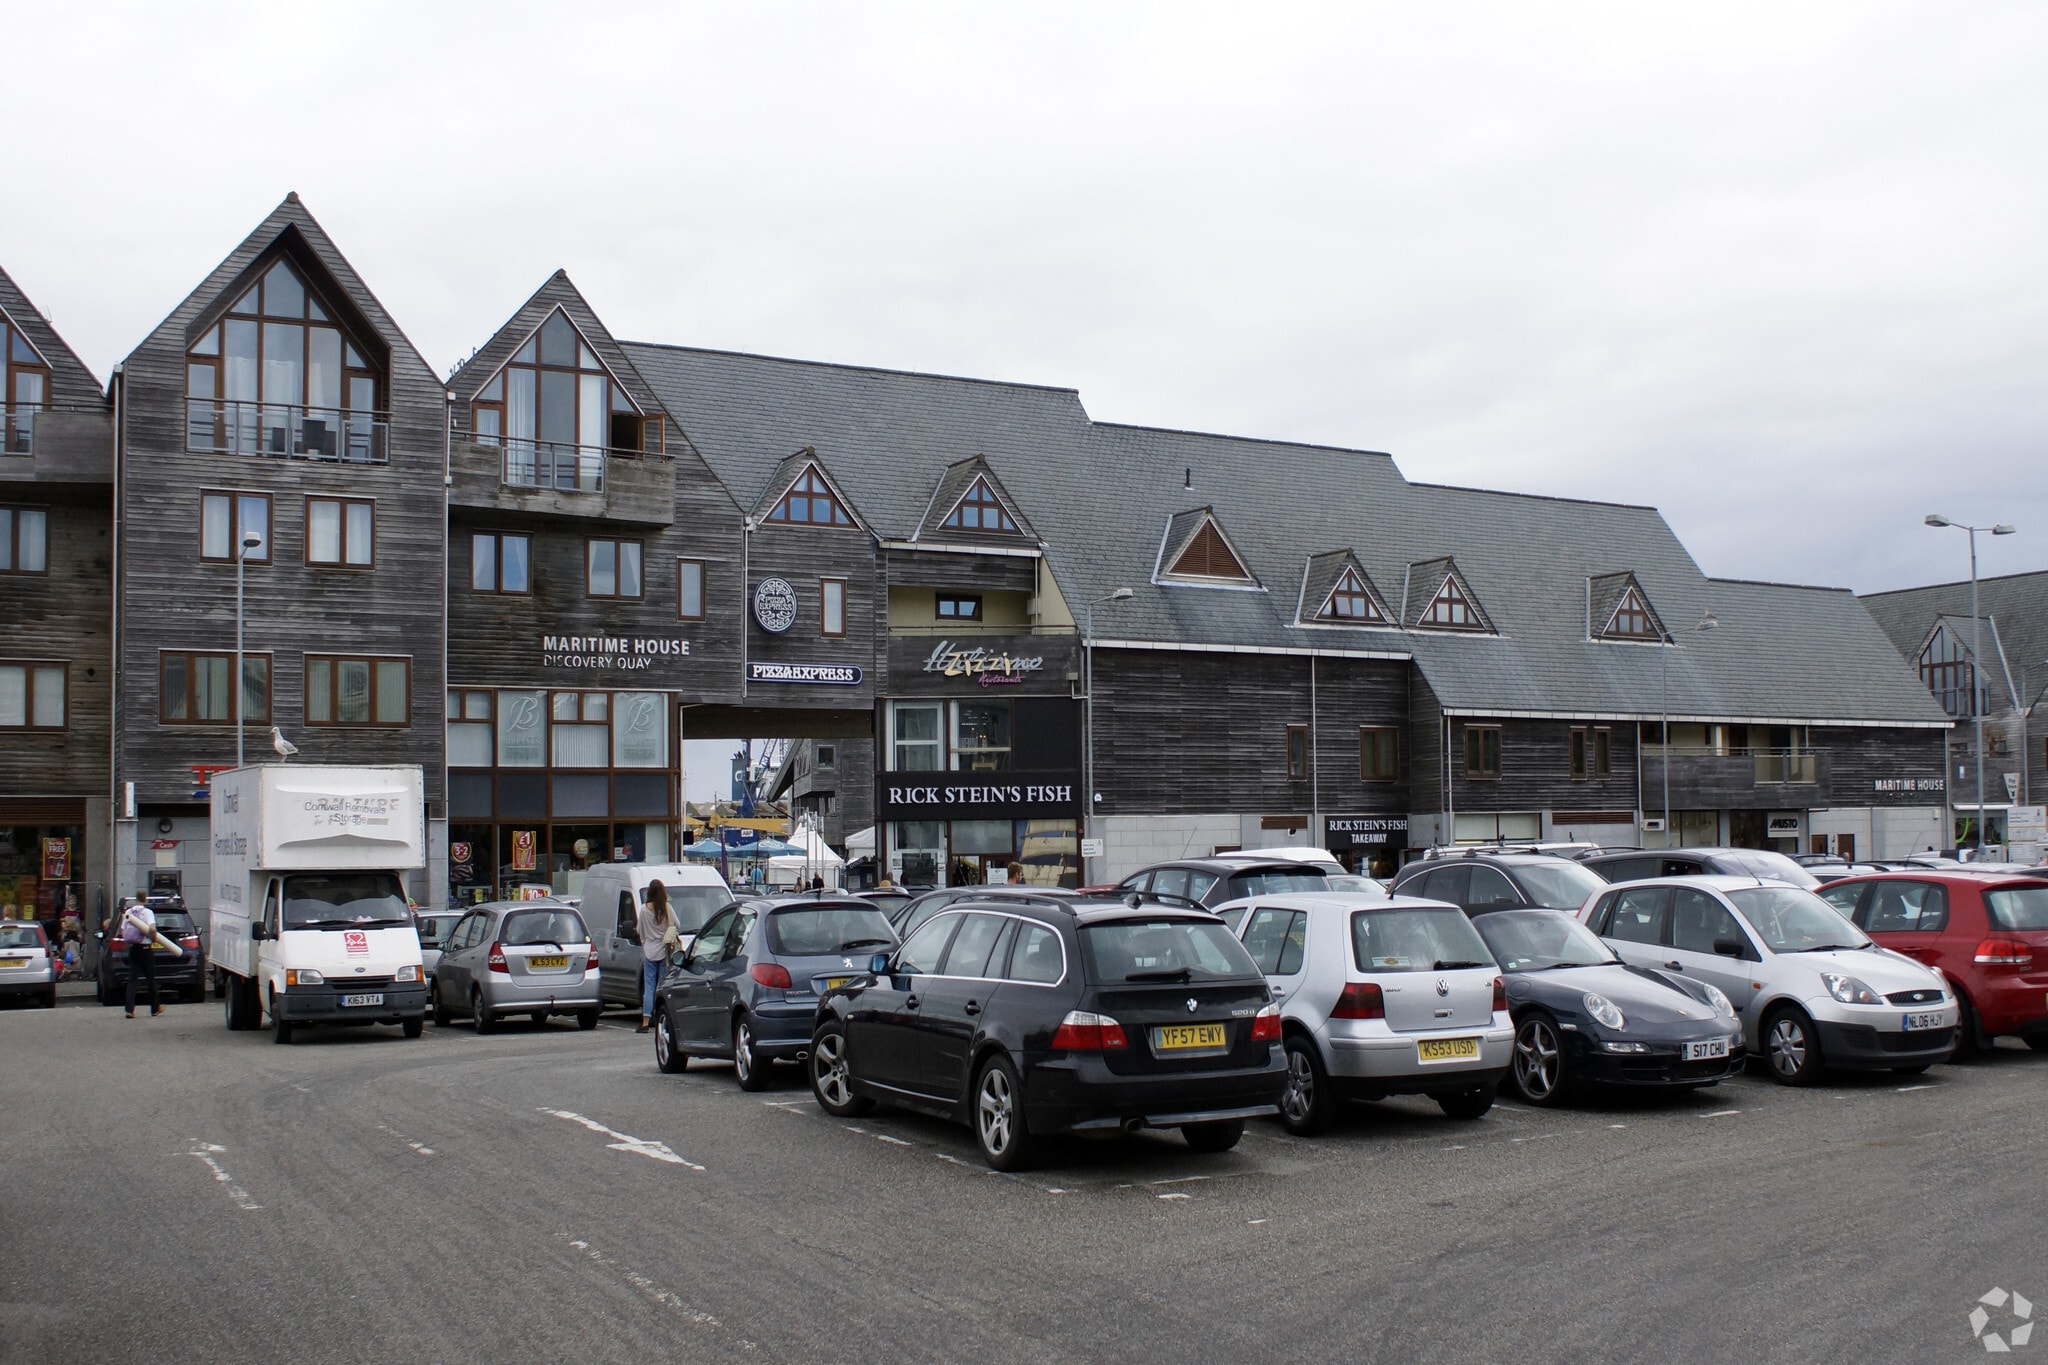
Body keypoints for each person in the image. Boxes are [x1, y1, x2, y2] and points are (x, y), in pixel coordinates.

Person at [633, 880, 678, 1034]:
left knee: (649, 987)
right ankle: (662, 1019)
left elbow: (640, 930)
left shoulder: (644, 910)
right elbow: (677, 924)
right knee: (662, 987)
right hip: (664, 950)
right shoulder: (667, 908)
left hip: (649, 951)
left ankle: (645, 1021)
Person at [119, 892, 162, 1019]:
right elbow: (152, 929)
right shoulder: (147, 912)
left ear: (136, 898)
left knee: (132, 980)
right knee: (151, 979)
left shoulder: (128, 912)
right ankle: (155, 1008)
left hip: (134, 949)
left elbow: (123, 932)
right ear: (145, 899)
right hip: (146, 948)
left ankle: (129, 1009)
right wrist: (154, 938)